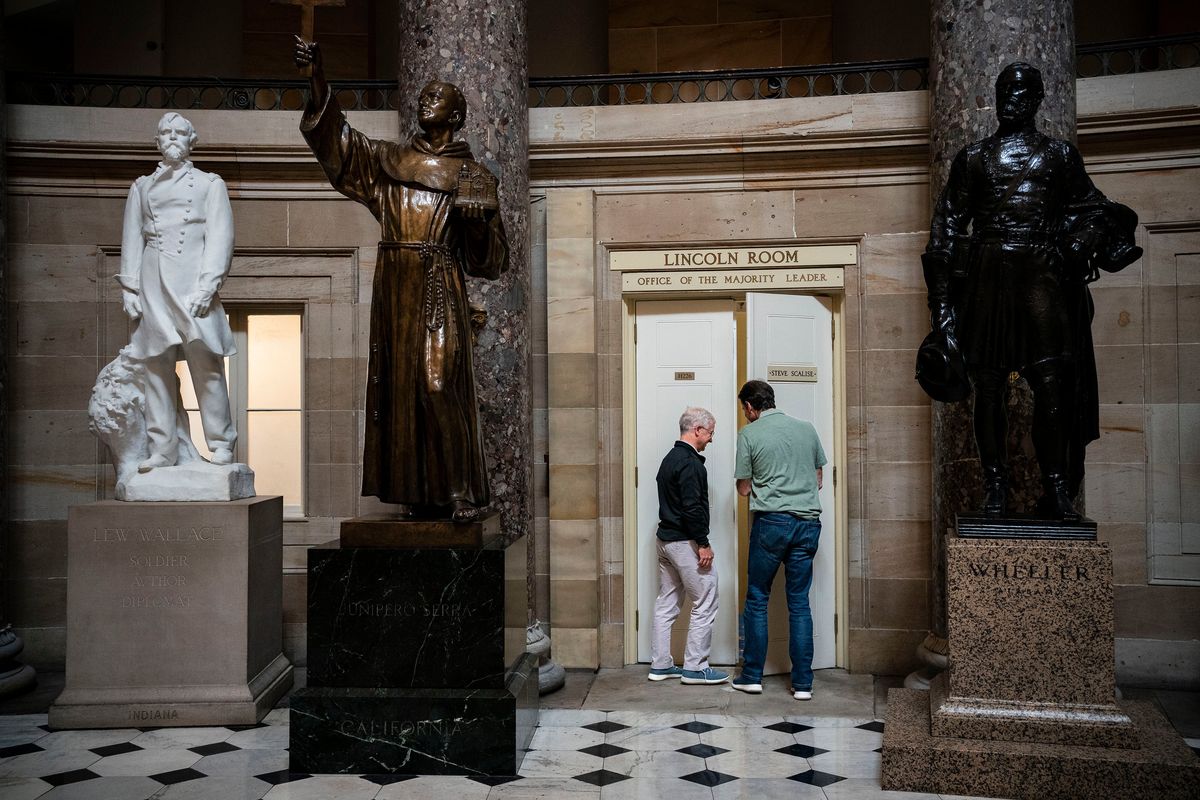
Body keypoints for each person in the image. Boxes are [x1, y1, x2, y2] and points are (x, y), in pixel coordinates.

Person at [294, 37, 509, 521]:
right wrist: (316, 78)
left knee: (438, 384)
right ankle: (416, 492)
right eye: (423, 94)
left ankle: (457, 490)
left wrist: (477, 222)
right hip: (394, 283)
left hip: (437, 281)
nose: (425, 99)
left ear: (457, 115)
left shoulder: (473, 176)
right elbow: (341, 145)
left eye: (438, 96)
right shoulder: (389, 164)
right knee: (401, 389)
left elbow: (491, 262)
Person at [923, 61, 1140, 520]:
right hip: (988, 278)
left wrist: (1085, 237)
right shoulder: (974, 158)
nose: (1011, 99)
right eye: (1004, 91)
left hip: (1042, 277)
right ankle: (995, 486)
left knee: (1052, 386)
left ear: (1039, 100)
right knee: (988, 386)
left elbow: (1095, 209)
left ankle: (1057, 488)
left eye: (1021, 92)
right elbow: (943, 231)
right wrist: (942, 316)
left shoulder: (1060, 157)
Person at [118, 112, 237, 471]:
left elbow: (221, 237)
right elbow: (131, 239)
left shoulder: (208, 184)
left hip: (192, 280)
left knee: (206, 363)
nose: (172, 137)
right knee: (156, 365)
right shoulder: (141, 187)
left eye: (179, 132)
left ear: (191, 141)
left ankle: (221, 443)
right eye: (165, 133)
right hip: (154, 278)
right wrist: (130, 288)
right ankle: (163, 448)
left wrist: (208, 284)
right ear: (157, 142)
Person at [731, 380, 826, 701]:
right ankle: (802, 684)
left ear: (749, 407)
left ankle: (753, 676)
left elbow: (744, 489)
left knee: (757, 597)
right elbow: (818, 480)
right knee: (799, 602)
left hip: (772, 523)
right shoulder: (806, 428)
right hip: (809, 523)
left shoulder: (750, 434)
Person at [647, 407, 729, 686]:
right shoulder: (691, 463)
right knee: (706, 599)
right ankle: (695, 668)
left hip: (664, 541)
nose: (711, 439)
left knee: (667, 603)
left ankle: (660, 665)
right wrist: (703, 544)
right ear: (697, 430)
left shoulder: (669, 459)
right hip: (683, 542)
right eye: (710, 433)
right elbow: (692, 508)